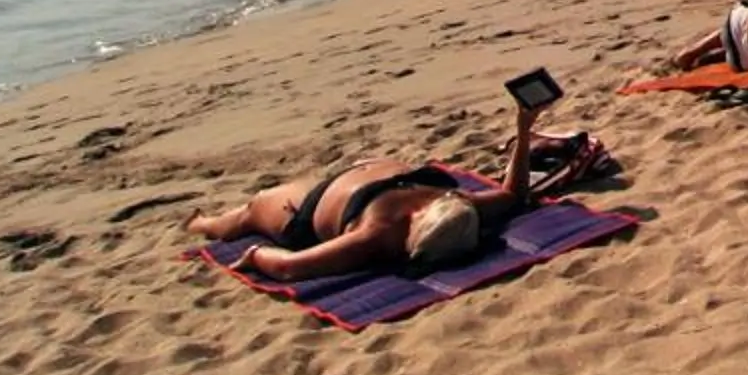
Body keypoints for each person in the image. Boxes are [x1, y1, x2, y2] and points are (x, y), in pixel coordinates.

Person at [186, 97, 577, 282]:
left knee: (247, 214)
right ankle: (207, 222)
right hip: (362, 179)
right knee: (247, 210)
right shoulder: (454, 204)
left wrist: (257, 255)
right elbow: (514, 194)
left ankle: (201, 224)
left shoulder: (375, 238)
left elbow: (289, 267)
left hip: (307, 206)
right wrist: (523, 129)